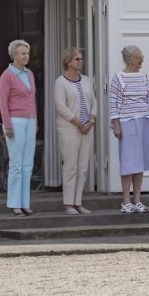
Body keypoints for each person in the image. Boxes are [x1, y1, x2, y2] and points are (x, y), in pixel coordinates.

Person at [109, 46, 149, 214]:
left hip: (143, 120)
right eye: (139, 57)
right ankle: (126, 201)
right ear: (130, 60)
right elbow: (113, 103)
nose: (142, 60)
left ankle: (137, 200)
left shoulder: (143, 77)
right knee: (129, 162)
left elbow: (146, 101)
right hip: (127, 122)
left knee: (140, 162)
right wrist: (116, 124)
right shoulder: (118, 78)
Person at [54, 47, 97, 215]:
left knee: (83, 166)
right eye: (77, 59)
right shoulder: (61, 82)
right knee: (70, 166)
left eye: (81, 58)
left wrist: (91, 120)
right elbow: (60, 106)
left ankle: (78, 202)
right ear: (68, 62)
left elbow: (94, 102)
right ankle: (68, 204)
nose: (81, 61)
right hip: (69, 128)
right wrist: (78, 122)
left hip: (87, 128)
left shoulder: (86, 80)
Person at [0, 39, 37, 217]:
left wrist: (35, 119)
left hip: (29, 121)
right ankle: (14, 203)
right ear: (14, 55)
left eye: (27, 53)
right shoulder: (7, 75)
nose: (26, 56)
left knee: (28, 163)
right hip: (15, 121)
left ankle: (25, 203)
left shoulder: (29, 74)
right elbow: (3, 102)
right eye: (23, 53)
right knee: (16, 164)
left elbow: (32, 98)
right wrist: (7, 124)